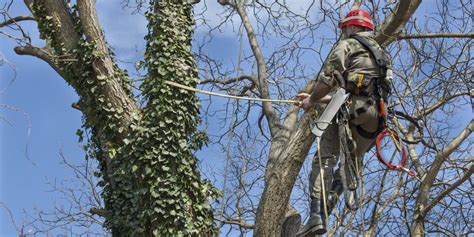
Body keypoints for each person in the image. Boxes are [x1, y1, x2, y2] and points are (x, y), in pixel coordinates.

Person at [295, 9, 393, 237]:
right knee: (353, 160)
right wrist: (323, 99)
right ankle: (333, 195)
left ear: (352, 27)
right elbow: (360, 89)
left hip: (350, 112)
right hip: (375, 117)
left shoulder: (348, 45)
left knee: (324, 160)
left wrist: (312, 99)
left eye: (345, 29)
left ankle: (316, 216)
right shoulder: (383, 57)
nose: (343, 33)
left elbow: (329, 78)